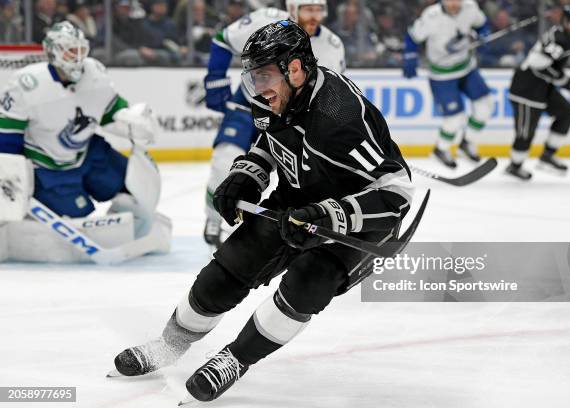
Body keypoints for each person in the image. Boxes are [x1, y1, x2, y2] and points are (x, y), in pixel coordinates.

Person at [111, 20, 414, 402]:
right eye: (254, 75)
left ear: (297, 68)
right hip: (295, 202)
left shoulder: (341, 118)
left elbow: (397, 192)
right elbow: (271, 140)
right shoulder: (273, 95)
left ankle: (235, 360)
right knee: (225, 271)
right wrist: (248, 173)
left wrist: (328, 215)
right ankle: (168, 346)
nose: (258, 85)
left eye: (266, 74)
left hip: (353, 226)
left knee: (307, 283)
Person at [0, 21, 170, 262]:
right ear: (53, 51)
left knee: (133, 186)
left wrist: (133, 121)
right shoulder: (26, 84)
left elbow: (112, 111)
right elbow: (7, 139)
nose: (77, 57)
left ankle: (130, 229)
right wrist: (11, 180)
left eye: (81, 49)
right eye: (70, 50)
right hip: (50, 169)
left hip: (90, 153)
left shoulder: (95, 73)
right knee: (76, 216)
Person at [202, 0, 345, 251]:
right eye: (308, 9)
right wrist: (215, 77)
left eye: (318, 9)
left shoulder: (332, 46)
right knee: (224, 160)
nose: (314, 16)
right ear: (292, 9)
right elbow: (224, 40)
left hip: (290, 118)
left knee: (302, 177)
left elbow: (334, 89)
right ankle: (215, 219)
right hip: (248, 106)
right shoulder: (265, 20)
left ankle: (301, 226)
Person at [506, 5, 570, 180]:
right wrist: (562, 79)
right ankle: (515, 165)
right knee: (526, 133)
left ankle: (547, 155)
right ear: (565, 22)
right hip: (527, 89)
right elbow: (537, 64)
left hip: (544, 87)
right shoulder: (558, 38)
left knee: (566, 113)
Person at [403, 0, 495, 168]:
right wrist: (409, 56)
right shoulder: (432, 16)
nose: (454, 3)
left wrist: (484, 34)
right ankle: (441, 149)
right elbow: (412, 36)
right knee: (454, 119)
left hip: (467, 67)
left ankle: (467, 142)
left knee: (486, 105)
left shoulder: (470, 7)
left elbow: (481, 24)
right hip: (442, 75)